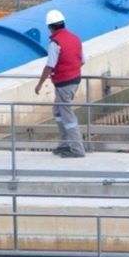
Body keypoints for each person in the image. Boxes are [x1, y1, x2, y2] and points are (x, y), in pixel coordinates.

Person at [35, 9, 86, 158]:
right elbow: (82, 60)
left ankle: (77, 149)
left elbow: (50, 65)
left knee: (67, 116)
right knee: (57, 111)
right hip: (74, 80)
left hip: (64, 83)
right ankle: (64, 144)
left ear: (50, 27)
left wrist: (39, 84)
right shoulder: (75, 38)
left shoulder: (55, 43)